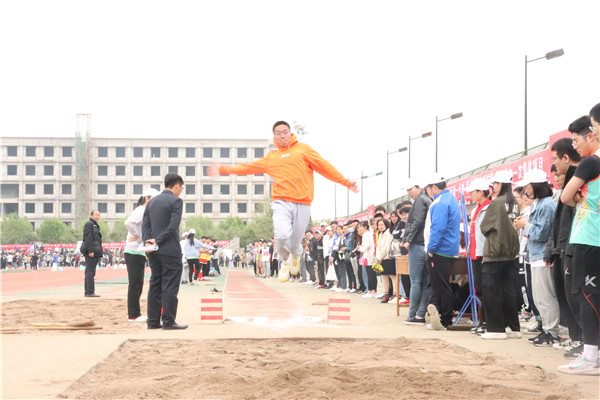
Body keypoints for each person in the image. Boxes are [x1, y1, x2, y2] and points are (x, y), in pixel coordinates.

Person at [207, 121, 358, 276]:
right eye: (278, 133)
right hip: (281, 202)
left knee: (295, 241)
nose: (282, 135)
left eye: (285, 132)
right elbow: (248, 167)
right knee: (281, 235)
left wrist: (345, 182)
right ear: (275, 136)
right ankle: (285, 260)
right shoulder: (271, 157)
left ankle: (295, 255)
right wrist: (223, 169)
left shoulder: (303, 150)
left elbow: (324, 166)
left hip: (303, 202)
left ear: (290, 133)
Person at [558, 104, 600, 375]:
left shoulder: (591, 162)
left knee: (588, 296)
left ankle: (590, 356)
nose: (575, 146)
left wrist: (579, 198)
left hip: (589, 237)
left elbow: (565, 196)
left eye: (576, 140)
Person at [547, 133, 583, 355]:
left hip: (575, 246)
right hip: (563, 248)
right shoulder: (569, 183)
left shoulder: (580, 181)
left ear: (566, 158)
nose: (554, 165)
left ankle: (585, 342)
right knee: (566, 297)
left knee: (577, 297)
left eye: (555, 159)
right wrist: (554, 250)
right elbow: (558, 223)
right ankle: (578, 339)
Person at [514, 169, 558, 347]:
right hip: (535, 255)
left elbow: (541, 233)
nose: (525, 190)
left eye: (528, 185)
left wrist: (525, 225)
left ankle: (552, 332)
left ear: (536, 185)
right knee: (539, 298)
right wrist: (524, 225)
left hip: (542, 256)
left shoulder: (547, 204)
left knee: (546, 297)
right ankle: (547, 330)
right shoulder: (538, 203)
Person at [142, 173, 187, 330]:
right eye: (181, 187)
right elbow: (173, 226)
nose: (181, 190)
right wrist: (158, 240)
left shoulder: (152, 202)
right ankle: (168, 321)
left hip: (153, 251)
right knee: (170, 285)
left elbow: (145, 225)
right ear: (177, 185)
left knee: (155, 284)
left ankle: (153, 321)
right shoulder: (176, 201)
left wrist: (148, 242)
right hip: (169, 249)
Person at [479, 172, 521, 339]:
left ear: (502, 184)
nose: (493, 187)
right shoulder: (514, 202)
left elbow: (485, 226)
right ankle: (513, 327)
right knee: (508, 291)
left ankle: (496, 329)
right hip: (511, 252)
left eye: (495, 183)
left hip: (495, 251)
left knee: (491, 291)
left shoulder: (496, 202)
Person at [424, 176, 461, 330]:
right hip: (448, 248)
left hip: (440, 249)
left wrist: (431, 248)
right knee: (441, 285)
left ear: (433, 187)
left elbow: (438, 228)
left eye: (427, 188)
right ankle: (441, 316)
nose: (426, 191)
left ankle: (445, 319)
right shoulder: (451, 199)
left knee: (441, 286)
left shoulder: (440, 202)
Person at [124, 187, 159, 322]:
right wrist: (137, 236)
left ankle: (136, 313)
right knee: (135, 284)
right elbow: (128, 223)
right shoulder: (141, 210)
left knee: (138, 283)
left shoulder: (145, 211)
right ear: (147, 198)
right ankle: (133, 315)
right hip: (133, 251)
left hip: (138, 251)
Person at [402, 181, 433, 325]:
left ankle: (412, 314)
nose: (409, 192)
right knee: (424, 282)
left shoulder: (420, 200)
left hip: (417, 244)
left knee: (415, 281)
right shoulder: (428, 199)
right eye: (407, 190)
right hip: (426, 245)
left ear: (419, 187)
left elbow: (418, 221)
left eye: (411, 189)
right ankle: (420, 314)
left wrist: (408, 239)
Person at [465, 178, 492, 335]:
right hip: (475, 254)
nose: (470, 195)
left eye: (472, 192)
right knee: (479, 289)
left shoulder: (489, 207)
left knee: (487, 289)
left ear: (481, 192)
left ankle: (488, 321)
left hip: (484, 253)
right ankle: (482, 321)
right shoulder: (476, 209)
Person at [81, 209, 103, 297]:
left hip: (95, 251)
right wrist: (90, 251)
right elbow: (88, 238)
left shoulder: (95, 225)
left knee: (91, 272)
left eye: (98, 215)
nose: (97, 217)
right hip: (91, 252)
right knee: (90, 272)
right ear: (91, 215)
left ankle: (89, 291)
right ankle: (89, 291)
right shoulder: (89, 224)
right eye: (96, 215)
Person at [375, 218, 396, 303]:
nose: (380, 226)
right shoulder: (380, 234)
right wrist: (377, 256)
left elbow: (387, 247)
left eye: (382, 225)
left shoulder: (389, 234)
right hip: (381, 259)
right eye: (379, 225)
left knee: (393, 276)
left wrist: (379, 256)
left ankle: (395, 295)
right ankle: (386, 295)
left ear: (386, 225)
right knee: (384, 277)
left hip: (389, 257)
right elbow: (378, 246)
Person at [356, 221, 377, 297]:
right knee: (371, 274)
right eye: (358, 228)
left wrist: (360, 248)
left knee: (370, 274)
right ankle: (372, 291)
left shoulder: (365, 234)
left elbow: (366, 245)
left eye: (361, 227)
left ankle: (371, 291)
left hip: (369, 257)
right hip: (371, 256)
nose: (359, 229)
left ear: (365, 227)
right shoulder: (369, 234)